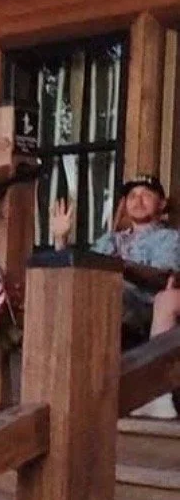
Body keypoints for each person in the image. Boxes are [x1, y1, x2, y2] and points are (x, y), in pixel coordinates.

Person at [52, 175, 180, 416]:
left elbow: (164, 278)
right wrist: (61, 241)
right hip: (107, 298)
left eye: (146, 195)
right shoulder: (110, 240)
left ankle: (153, 391)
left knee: (101, 293)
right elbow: (83, 268)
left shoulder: (170, 238)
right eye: (132, 196)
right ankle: (70, 392)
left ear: (161, 204)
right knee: (72, 295)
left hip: (145, 304)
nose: (138, 200)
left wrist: (118, 266)